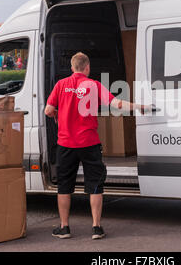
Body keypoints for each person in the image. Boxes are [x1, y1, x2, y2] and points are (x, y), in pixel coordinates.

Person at [44, 52, 151, 240]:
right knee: (95, 185)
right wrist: (138, 106)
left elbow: (48, 110)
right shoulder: (94, 85)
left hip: (66, 144)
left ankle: (64, 227)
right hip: (89, 143)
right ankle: (96, 227)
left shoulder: (61, 85)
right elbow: (116, 104)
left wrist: (57, 115)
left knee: (64, 186)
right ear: (87, 68)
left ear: (72, 68)